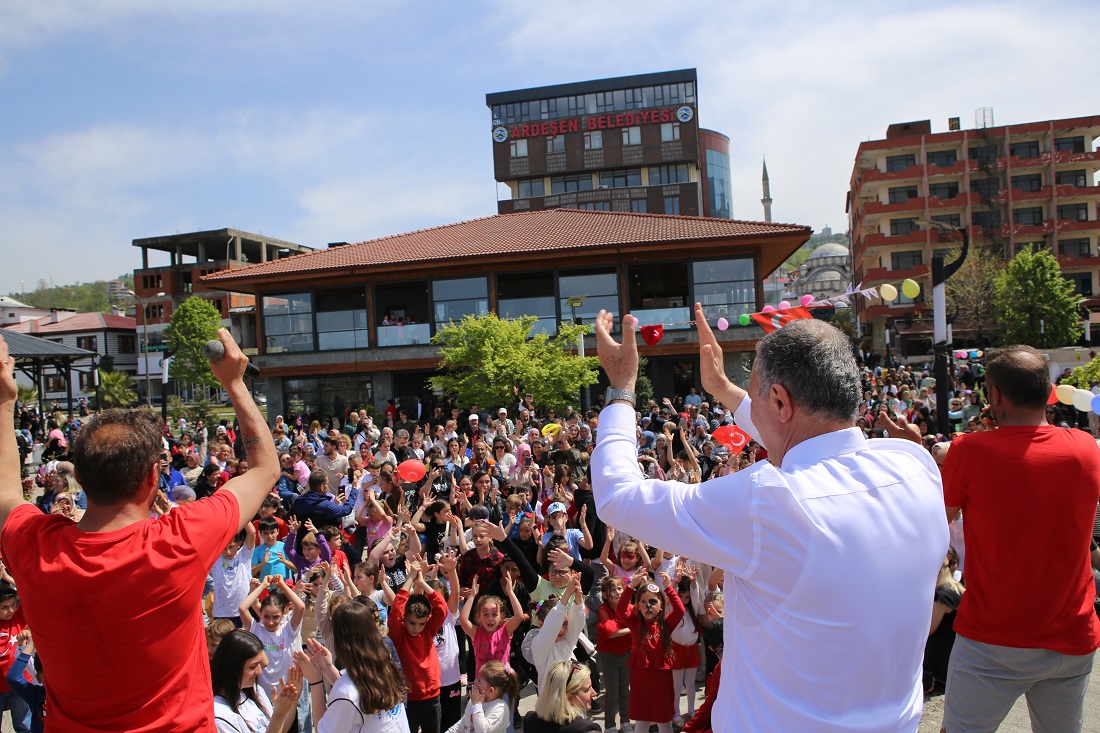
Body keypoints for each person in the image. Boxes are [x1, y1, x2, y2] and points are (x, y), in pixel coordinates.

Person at [591, 305, 948, 731]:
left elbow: (617, 496)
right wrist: (723, 388)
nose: (749, 405)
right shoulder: (913, 464)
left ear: (779, 400)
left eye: (755, 393)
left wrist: (621, 388)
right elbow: (807, 441)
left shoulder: (770, 502)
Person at [0, 329, 280, 732]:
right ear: (154, 477)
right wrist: (233, 382)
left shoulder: (34, 546)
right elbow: (264, 468)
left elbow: (8, 492)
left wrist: (6, 403)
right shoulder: (180, 539)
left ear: (78, 476)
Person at [941, 345, 1100, 732]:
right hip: (1073, 636)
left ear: (994, 395)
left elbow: (941, 520)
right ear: (1048, 391)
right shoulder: (1085, 448)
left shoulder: (969, 450)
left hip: (994, 639)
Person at [296, 601, 410, 733]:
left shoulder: (346, 694)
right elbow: (358, 693)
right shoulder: (386, 668)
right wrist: (327, 668)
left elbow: (347, 700)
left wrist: (316, 681)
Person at [211, 629, 301, 733]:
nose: (259, 671)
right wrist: (278, 714)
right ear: (233, 667)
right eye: (252, 666)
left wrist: (291, 701)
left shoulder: (255, 691)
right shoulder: (220, 717)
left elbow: (280, 728)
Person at [522, 659, 600, 733]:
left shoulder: (530, 720)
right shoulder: (587, 729)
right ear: (569, 698)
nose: (594, 693)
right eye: (587, 689)